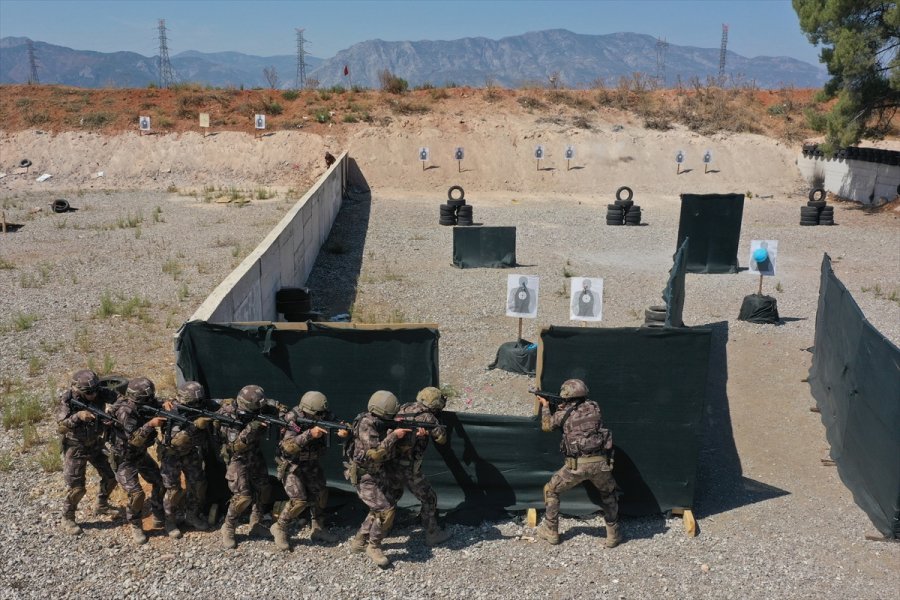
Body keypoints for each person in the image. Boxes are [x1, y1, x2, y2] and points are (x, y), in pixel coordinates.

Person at [535, 379, 622, 547]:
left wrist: (545, 406)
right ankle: (613, 535)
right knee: (609, 493)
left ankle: (551, 531)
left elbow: (547, 426)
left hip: (576, 466)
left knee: (551, 490)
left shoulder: (562, 413)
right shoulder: (594, 407)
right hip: (601, 464)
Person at [270, 391, 348, 551]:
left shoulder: (322, 414)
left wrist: (344, 430)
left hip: (311, 462)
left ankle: (318, 528)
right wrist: (309, 434)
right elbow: (288, 446)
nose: (320, 416)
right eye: (317, 414)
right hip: (292, 464)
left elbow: (340, 423)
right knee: (299, 500)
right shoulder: (293, 419)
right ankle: (279, 527)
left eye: (321, 413)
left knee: (320, 493)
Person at [345, 390, 410, 568]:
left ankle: (359, 540)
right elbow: (375, 453)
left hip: (377, 473)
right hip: (365, 475)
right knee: (385, 510)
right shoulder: (366, 424)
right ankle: (374, 547)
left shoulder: (376, 421)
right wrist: (394, 435)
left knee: (381, 506)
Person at [55, 369, 118, 535]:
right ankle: (68, 517)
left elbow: (121, 400)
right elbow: (61, 427)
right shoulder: (68, 399)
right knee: (77, 487)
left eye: (95, 390)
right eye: (88, 392)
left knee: (112, 476)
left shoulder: (100, 392)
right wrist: (78, 416)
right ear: (77, 390)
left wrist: (112, 413)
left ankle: (102, 504)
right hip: (76, 446)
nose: (93, 394)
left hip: (96, 443)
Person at [388, 386, 451, 546]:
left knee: (390, 498)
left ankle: (381, 530)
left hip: (392, 463)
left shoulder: (404, 407)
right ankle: (432, 534)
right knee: (429, 498)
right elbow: (441, 438)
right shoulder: (428, 417)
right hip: (409, 467)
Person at [109, 377, 167, 545]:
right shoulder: (125, 411)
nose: (151, 400)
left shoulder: (145, 403)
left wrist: (166, 404)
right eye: (147, 398)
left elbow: (156, 403)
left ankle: (158, 512)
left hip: (140, 455)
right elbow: (134, 440)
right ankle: (136, 524)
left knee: (160, 481)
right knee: (137, 494)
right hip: (124, 459)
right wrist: (151, 424)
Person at [215, 384, 273, 550]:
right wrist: (252, 427)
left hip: (254, 455)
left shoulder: (257, 408)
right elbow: (236, 446)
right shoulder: (229, 415)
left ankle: (256, 523)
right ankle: (228, 527)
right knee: (242, 496)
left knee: (263, 488)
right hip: (237, 458)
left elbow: (273, 405)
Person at [156, 381, 213, 539]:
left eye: (198, 401)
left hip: (190, 453)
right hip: (171, 455)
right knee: (173, 491)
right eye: (193, 402)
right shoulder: (171, 410)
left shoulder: (200, 406)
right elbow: (176, 441)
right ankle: (170, 521)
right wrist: (195, 426)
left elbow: (221, 404)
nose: (197, 404)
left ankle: (192, 515)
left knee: (198, 485)